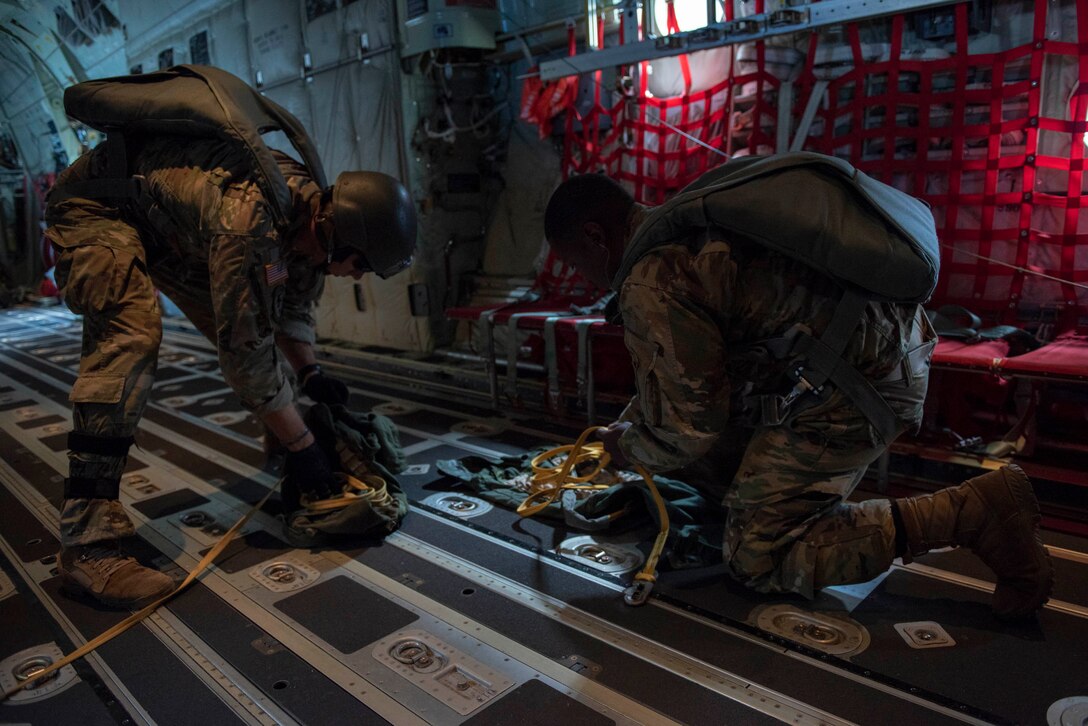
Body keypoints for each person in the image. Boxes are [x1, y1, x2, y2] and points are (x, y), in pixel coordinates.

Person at [543, 164, 1053, 619]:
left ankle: (974, 513)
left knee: (758, 558)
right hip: (875, 358)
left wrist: (626, 447)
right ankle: (759, 504)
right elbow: (691, 379)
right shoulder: (686, 229)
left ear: (595, 236)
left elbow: (687, 430)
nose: (583, 280)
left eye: (574, 263)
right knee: (697, 464)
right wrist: (638, 424)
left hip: (854, 387)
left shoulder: (651, 278)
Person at [45, 131, 416, 609]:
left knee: (253, 320)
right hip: (98, 208)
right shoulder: (251, 223)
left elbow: (289, 303)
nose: (358, 275)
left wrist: (311, 375)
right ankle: (87, 544)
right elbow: (246, 356)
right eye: (361, 265)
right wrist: (304, 447)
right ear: (340, 238)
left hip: (166, 226)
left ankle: (283, 432)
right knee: (131, 335)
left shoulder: (312, 217)